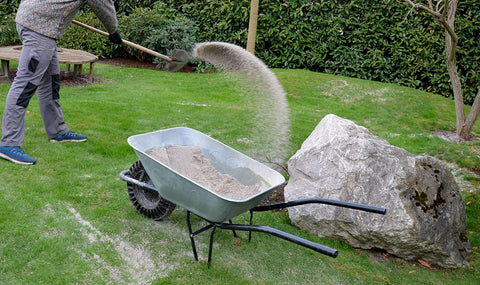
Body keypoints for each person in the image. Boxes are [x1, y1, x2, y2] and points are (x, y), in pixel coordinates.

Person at [0, 0, 123, 165]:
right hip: (39, 28)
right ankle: (9, 143)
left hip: (36, 23)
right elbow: (103, 5)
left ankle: (57, 131)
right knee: (25, 85)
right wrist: (113, 31)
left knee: (51, 83)